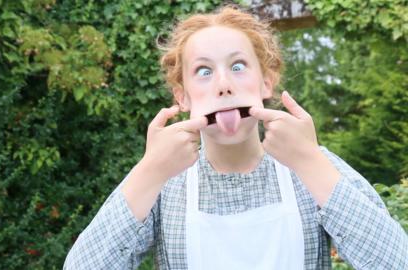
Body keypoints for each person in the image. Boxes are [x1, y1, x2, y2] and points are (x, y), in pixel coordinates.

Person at [63, 6, 408, 270]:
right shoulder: (162, 181)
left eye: (238, 66)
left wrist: (311, 162)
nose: (224, 84)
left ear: (266, 84)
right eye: (204, 71)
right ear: (182, 97)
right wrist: (149, 171)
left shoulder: (312, 164)